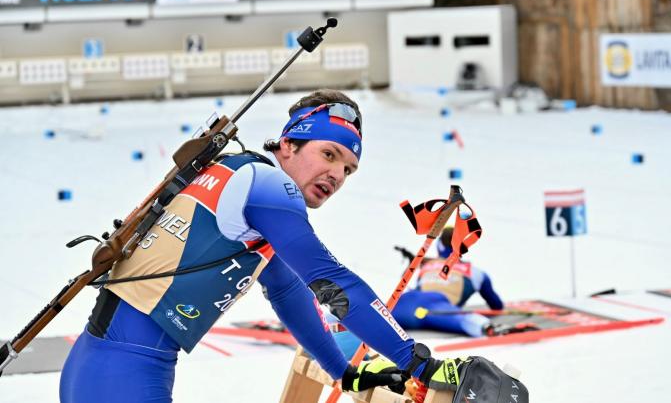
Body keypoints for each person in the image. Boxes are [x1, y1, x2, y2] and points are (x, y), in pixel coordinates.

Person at [59, 89, 475, 402]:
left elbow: (287, 290)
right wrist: (416, 360)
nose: (337, 175)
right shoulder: (270, 187)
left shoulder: (239, 174)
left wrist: (341, 371)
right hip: (126, 371)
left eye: (348, 169)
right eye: (328, 154)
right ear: (290, 144)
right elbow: (330, 281)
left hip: (101, 362)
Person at [393, 227, 532, 337]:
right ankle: (487, 328)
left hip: (404, 302)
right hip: (434, 308)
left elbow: (429, 262)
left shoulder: (427, 264)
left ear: (439, 246)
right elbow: (497, 306)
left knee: (380, 319)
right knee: (462, 318)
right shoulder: (476, 273)